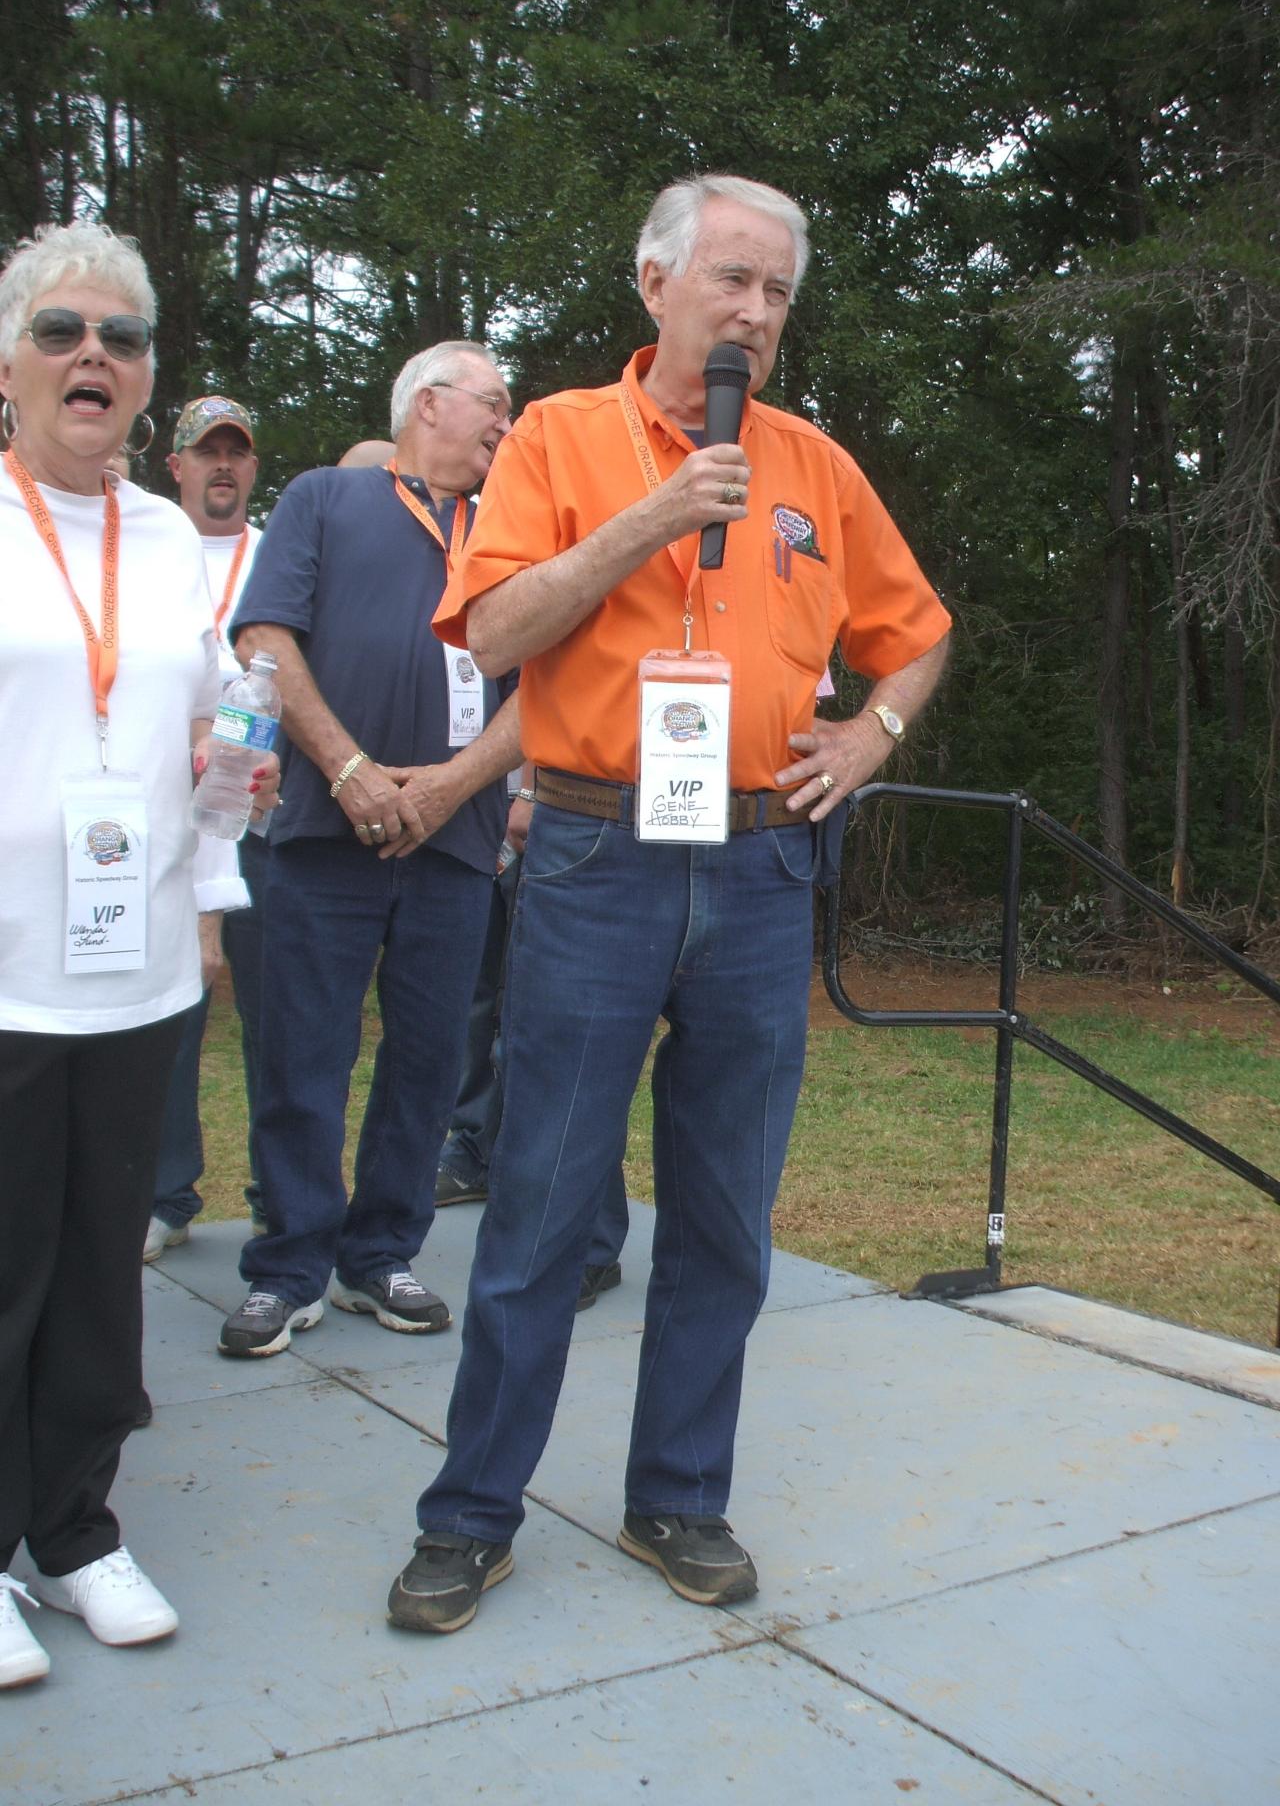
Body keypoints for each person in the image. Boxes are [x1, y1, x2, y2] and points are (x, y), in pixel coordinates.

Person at [387, 175, 951, 1634]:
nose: (756, 312)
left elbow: (917, 633)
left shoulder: (814, 466)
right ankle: (471, 1516)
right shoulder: (558, 437)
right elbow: (492, 628)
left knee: (724, 1215)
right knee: (540, 1202)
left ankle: (679, 1496)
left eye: (778, 292)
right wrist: (654, 516)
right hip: (596, 858)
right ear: (655, 286)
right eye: (732, 281)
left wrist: (870, 736)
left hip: (763, 866)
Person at [0, 222, 278, 1687]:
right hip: (5, 970)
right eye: (59, 331)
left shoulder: (170, 541)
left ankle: (73, 1529)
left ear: (148, 378)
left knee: (104, 1266)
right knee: (6, 1263)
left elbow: (205, 724)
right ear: (9, 366)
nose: (90, 355)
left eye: (119, 336)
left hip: (139, 961)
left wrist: (232, 775)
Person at [218, 340, 523, 1359]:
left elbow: (548, 690)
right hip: (325, 829)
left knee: (430, 1059)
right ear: (427, 403)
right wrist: (350, 771)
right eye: (493, 402)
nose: (506, 423)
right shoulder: (324, 499)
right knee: (304, 1049)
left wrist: (450, 787)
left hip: (455, 839)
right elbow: (265, 638)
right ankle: (288, 1266)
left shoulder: (511, 530)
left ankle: (381, 1253)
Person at [145, 395, 268, 1262]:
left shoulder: (278, 553)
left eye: (236, 452)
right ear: (176, 465)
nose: (222, 465)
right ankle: (164, 1193)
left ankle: (281, 1200)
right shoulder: (148, 550)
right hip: (174, 814)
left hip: (268, 815)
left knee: (283, 1022)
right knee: (171, 1016)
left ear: (252, 467)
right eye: (205, 451)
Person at [435, 770, 631, 1311]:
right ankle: (482, 1156)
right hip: (501, 811)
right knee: (503, 1017)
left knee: (575, 1038)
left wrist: (529, 792)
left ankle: (587, 1245)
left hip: (587, 815)